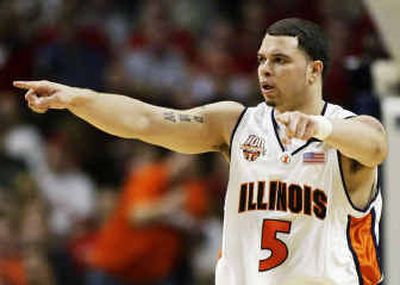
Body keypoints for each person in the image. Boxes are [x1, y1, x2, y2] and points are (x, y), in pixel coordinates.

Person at [14, 18, 387, 285]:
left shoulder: (346, 132)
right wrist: (80, 99)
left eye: (280, 60)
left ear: (314, 70)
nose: (265, 70)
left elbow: (376, 144)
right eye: (260, 60)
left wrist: (322, 129)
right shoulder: (235, 123)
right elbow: (145, 121)